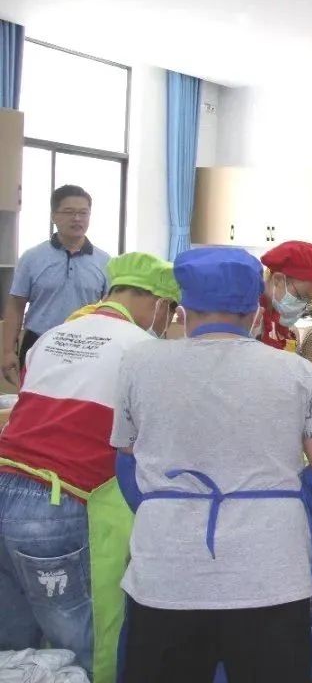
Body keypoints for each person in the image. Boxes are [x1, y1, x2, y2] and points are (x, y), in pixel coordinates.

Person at [113, 247, 312, 683]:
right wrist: (303, 514)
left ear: (182, 310)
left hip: (167, 571)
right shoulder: (298, 374)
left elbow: (127, 461)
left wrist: (166, 507)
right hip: (270, 571)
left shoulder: (138, 364)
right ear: (255, 312)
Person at [0, 253, 175, 677]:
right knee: (84, 646)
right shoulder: (144, 351)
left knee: (14, 649)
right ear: (159, 303)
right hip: (56, 503)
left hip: (5, 484)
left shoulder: (53, 335)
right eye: (171, 312)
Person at [2, 185, 110, 385]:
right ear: (54, 216)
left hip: (86, 348)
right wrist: (8, 351)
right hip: (38, 343)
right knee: (34, 400)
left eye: (83, 213)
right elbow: (16, 306)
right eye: (69, 212)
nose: (77, 218)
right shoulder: (32, 258)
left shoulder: (105, 261)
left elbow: (111, 310)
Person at [258, 240, 312, 351]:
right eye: (301, 296)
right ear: (278, 280)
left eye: (309, 300)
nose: (303, 306)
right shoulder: (249, 321)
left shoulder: (286, 328)